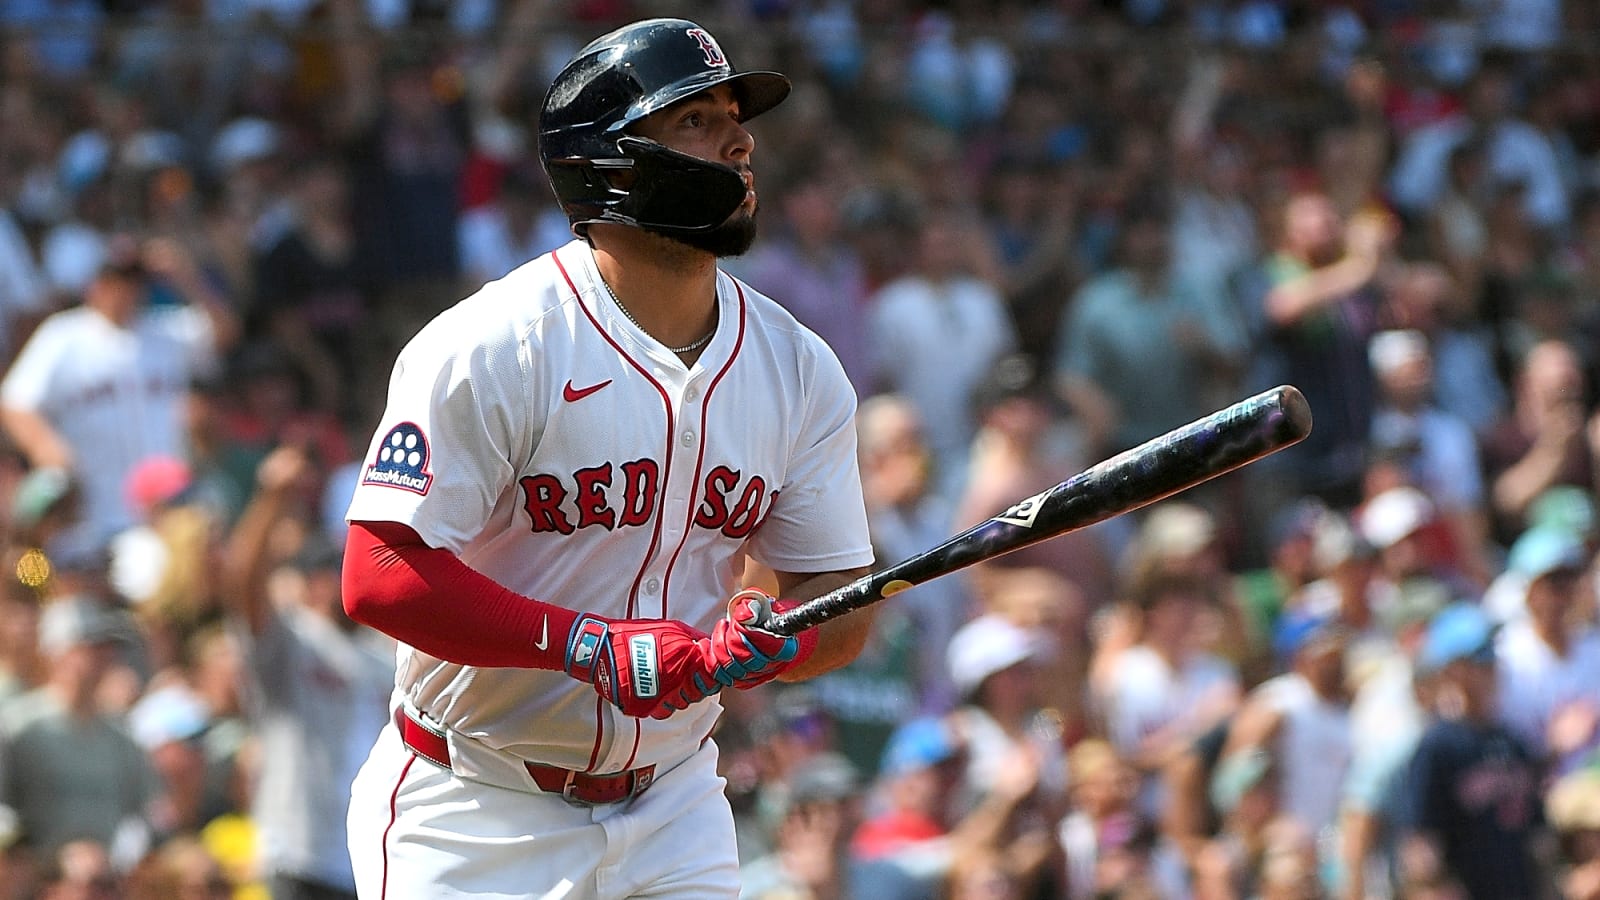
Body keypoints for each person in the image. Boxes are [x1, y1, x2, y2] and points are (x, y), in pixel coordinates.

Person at [339, 18, 877, 899]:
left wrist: (773, 643)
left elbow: (840, 605)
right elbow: (378, 573)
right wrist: (585, 644)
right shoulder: (497, 344)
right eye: (695, 120)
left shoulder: (798, 367)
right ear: (612, 161)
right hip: (476, 804)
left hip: (674, 805)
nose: (742, 140)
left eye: (736, 116)